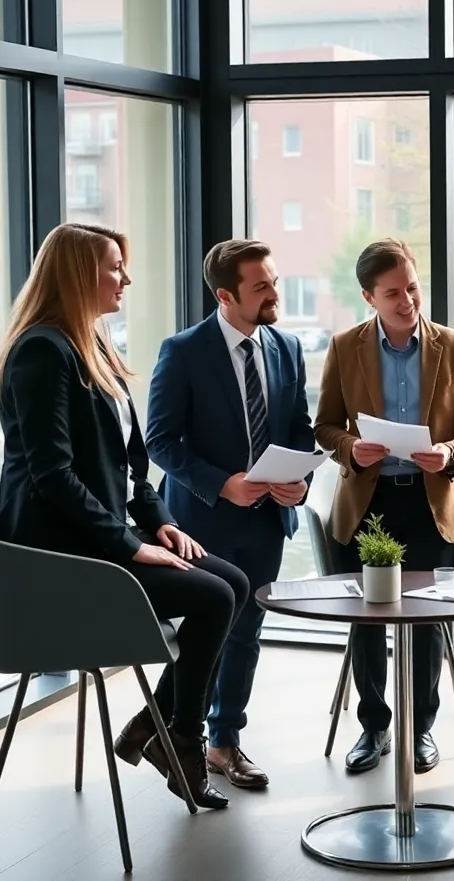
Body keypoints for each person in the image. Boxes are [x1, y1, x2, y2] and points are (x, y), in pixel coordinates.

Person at [0, 223, 247, 811]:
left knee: (232, 583)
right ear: (81, 274)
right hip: (57, 556)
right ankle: (179, 738)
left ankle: (161, 730)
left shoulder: (94, 345)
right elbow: (52, 475)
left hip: (97, 538)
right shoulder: (42, 351)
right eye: (115, 267)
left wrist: (157, 522)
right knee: (213, 597)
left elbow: (133, 466)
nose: (126, 278)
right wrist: (130, 547)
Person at [315, 239, 454, 774]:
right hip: (368, 503)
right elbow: (324, 425)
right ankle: (374, 728)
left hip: (430, 501)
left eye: (412, 287)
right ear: (369, 297)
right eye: (393, 293)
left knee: (423, 620)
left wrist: (449, 452)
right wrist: (350, 447)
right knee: (368, 622)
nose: (408, 301)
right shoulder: (345, 347)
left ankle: (420, 730)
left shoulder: (453, 345)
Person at [145, 239, 315, 790]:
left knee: (247, 634)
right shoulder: (183, 351)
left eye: (273, 281)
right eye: (260, 286)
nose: (274, 293)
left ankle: (223, 744)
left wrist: (300, 483)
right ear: (225, 295)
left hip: (268, 519)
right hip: (201, 521)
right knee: (207, 633)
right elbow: (160, 441)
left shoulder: (287, 347)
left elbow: (298, 429)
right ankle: (171, 734)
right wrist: (223, 485)